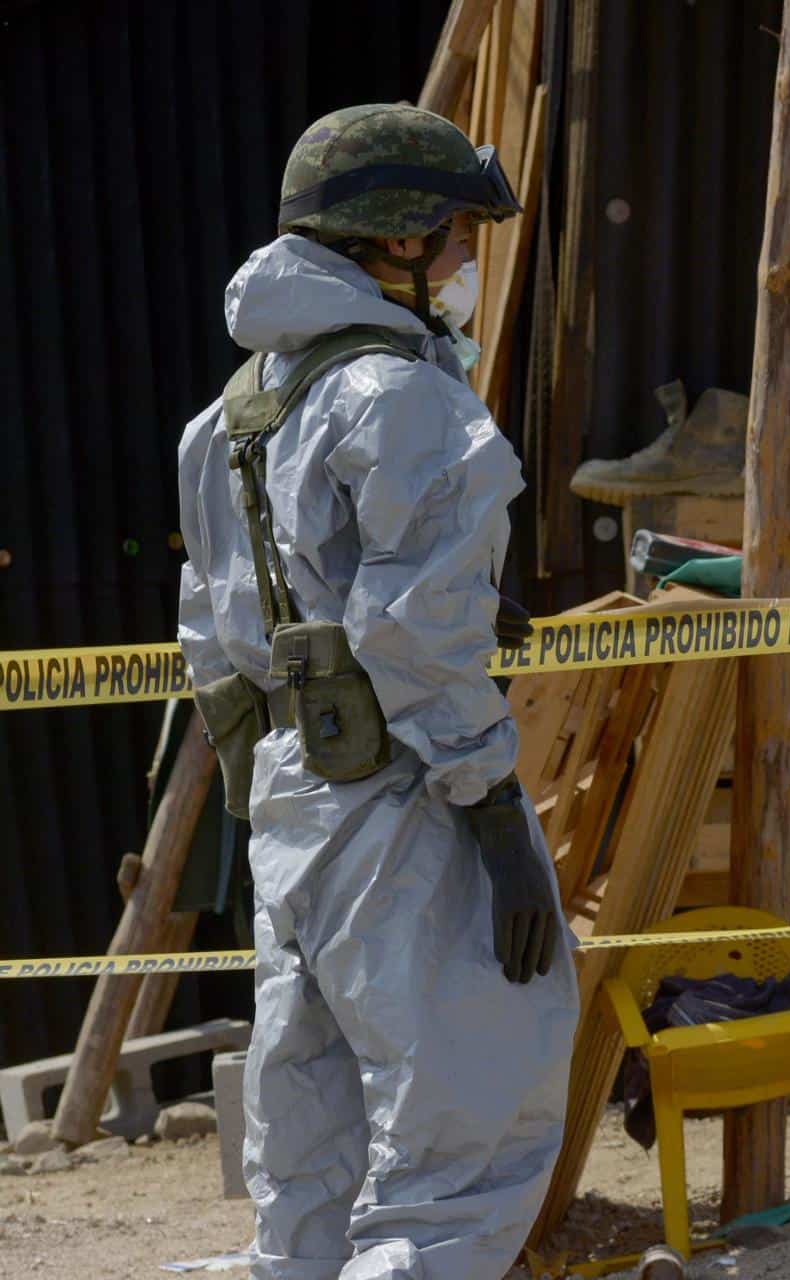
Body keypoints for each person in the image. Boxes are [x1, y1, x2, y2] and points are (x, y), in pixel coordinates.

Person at [175, 103, 578, 1279]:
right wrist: (491, 804)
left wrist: (273, 805)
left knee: (314, 1156)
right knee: (464, 1147)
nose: (463, 261)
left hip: (300, 809)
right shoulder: (406, 401)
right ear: (391, 238)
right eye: (453, 233)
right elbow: (414, 633)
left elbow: (213, 630)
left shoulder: (232, 416)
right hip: (407, 793)